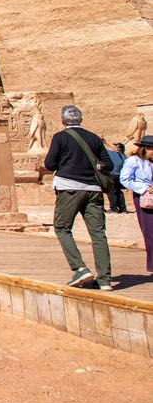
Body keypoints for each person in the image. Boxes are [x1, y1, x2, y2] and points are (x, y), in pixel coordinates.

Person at [43, 105, 114, 290]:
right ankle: (105, 279)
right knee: (98, 234)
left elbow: (49, 164)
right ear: (80, 119)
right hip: (94, 189)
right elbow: (108, 163)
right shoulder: (94, 138)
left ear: (63, 121)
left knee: (62, 228)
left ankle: (80, 267)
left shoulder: (60, 138)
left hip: (69, 188)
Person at [119, 135, 153, 273]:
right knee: (150, 231)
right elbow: (125, 179)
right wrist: (145, 188)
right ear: (146, 148)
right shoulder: (134, 161)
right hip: (145, 198)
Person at [107, 141, 128, 213]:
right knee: (119, 192)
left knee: (111, 191)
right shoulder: (123, 156)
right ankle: (123, 209)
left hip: (112, 175)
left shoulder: (112, 154)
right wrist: (106, 142)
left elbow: (103, 149)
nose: (113, 147)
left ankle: (113, 209)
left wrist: (102, 142)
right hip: (120, 176)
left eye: (115, 146)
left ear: (118, 149)